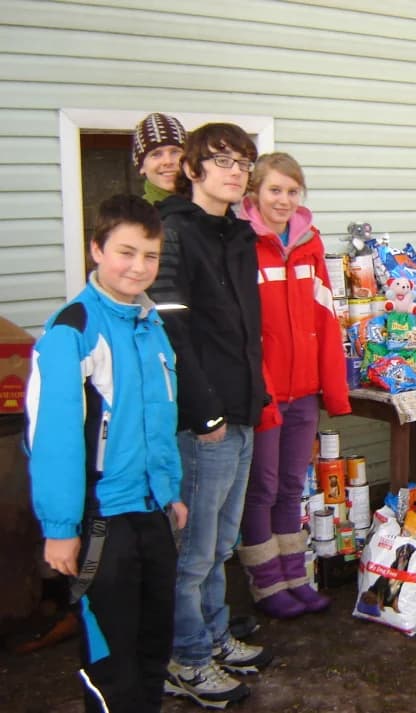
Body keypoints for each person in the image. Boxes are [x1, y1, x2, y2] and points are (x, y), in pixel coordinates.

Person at [25, 194, 187, 713]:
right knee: (111, 658)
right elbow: (53, 439)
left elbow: (160, 420)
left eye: (151, 256)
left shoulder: (151, 325)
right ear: (97, 249)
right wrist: (59, 527)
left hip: (151, 513)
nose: (139, 267)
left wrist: (171, 491)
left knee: (153, 644)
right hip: (101, 522)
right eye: (126, 252)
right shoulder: (73, 329)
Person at [151, 122, 270, 709]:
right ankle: (187, 659)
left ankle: (216, 637)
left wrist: (253, 398)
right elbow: (173, 332)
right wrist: (204, 414)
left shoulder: (238, 235)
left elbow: (244, 330)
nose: (234, 171)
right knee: (194, 550)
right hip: (205, 419)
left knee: (220, 542)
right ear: (193, 168)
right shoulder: (174, 232)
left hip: (242, 408)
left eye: (243, 163)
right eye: (221, 160)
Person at [236, 152, 351, 617]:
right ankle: (267, 586)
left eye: (291, 191)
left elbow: (326, 321)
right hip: (262, 394)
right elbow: (242, 332)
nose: (283, 199)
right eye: (274, 190)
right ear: (255, 194)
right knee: (260, 489)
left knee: (290, 486)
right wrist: (258, 391)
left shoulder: (310, 244)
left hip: (303, 391)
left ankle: (295, 578)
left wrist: (333, 390)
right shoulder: (241, 244)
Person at [132, 112, 187, 205]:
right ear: (142, 166)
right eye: (156, 154)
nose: (168, 161)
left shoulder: (211, 208)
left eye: (175, 152)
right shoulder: (137, 216)